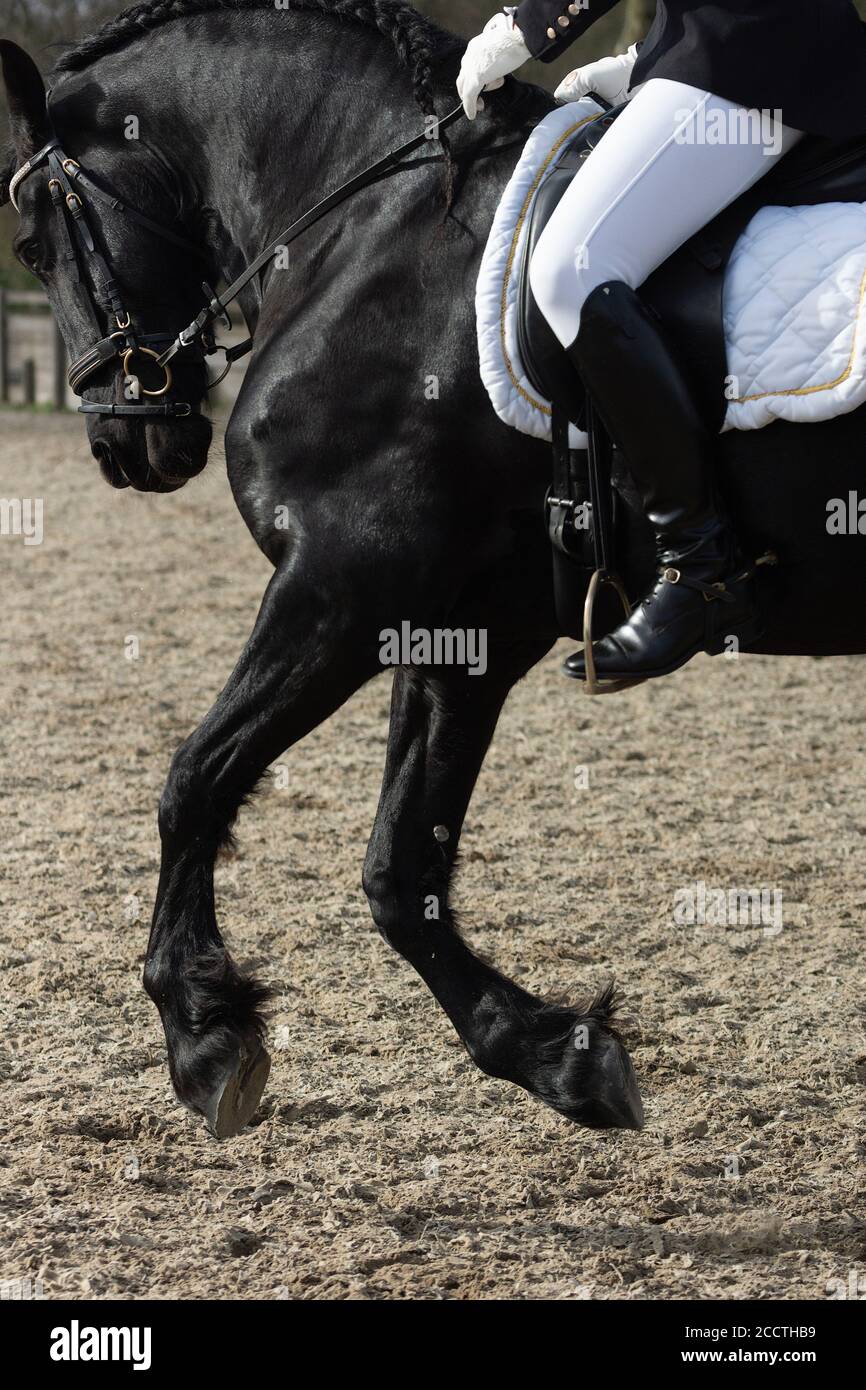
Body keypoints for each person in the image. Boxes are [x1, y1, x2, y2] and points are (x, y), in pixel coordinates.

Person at [457, 3, 866, 683]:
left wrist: (529, 25)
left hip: (750, 59)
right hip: (746, 45)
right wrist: (651, 55)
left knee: (570, 269)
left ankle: (702, 570)